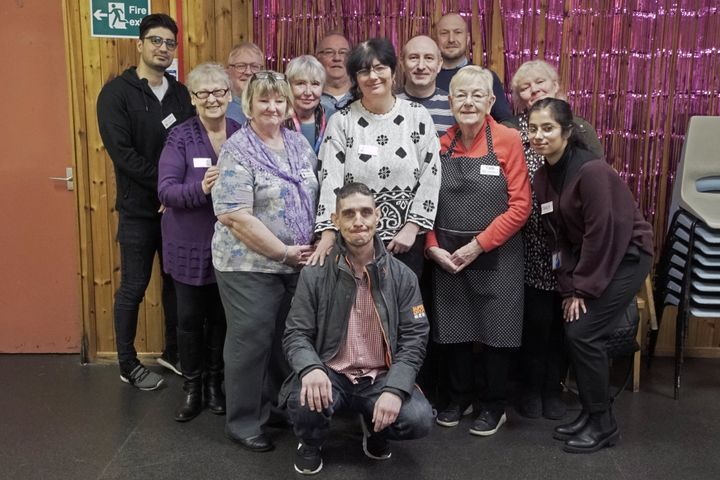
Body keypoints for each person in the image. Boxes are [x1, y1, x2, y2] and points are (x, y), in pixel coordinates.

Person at [282, 182, 434, 475]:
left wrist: (396, 388)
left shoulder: (403, 277)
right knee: (303, 398)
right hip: (331, 372)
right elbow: (296, 334)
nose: (358, 221)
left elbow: (415, 340)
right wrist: (310, 368)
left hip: (379, 376)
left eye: (366, 212)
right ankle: (310, 443)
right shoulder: (315, 273)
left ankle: (378, 429)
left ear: (377, 217)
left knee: (418, 418)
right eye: (349, 214)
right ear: (336, 220)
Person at [529, 98, 653, 453]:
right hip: (592, 259)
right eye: (533, 128)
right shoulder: (543, 174)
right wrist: (568, 287)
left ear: (567, 131)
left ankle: (603, 425)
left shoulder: (592, 171)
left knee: (584, 333)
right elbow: (558, 238)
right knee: (577, 331)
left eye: (548, 128)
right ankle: (589, 413)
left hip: (626, 256)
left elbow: (605, 234)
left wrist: (582, 289)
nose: (539, 136)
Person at [211, 70, 319, 452]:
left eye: (279, 100)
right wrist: (283, 251)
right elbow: (235, 216)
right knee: (251, 339)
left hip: (296, 263)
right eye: (264, 100)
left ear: (288, 105)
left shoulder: (298, 144)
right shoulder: (236, 150)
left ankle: (273, 406)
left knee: (282, 341)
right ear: (249, 106)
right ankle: (242, 421)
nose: (272, 107)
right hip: (248, 265)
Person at [426, 66, 531, 436]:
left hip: (496, 254)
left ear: (490, 101)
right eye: (460, 95)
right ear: (449, 101)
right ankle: (458, 398)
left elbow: (520, 206)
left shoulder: (508, 140)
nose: (468, 103)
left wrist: (478, 245)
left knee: (496, 332)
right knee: (453, 330)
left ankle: (493, 405)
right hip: (447, 257)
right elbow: (424, 205)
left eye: (477, 95)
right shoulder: (438, 144)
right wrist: (432, 246)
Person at [96, 13, 195, 390]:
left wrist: (177, 195)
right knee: (135, 286)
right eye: (156, 40)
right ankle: (127, 362)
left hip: (176, 211)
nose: (163, 48)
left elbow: (188, 145)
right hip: (139, 212)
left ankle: (173, 353)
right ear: (139, 44)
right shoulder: (116, 94)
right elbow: (123, 154)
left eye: (170, 43)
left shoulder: (180, 93)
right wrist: (166, 188)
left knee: (176, 285)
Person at [507, 59, 604, 420]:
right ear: (517, 98)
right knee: (534, 322)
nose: (533, 92)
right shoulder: (512, 130)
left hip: (568, 244)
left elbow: (594, 181)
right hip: (527, 244)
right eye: (525, 88)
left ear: (556, 85)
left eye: (540, 84)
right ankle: (531, 390)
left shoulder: (579, 129)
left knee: (564, 323)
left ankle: (553, 390)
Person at [311, 38, 441, 279]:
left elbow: (431, 175)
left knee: (404, 313)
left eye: (380, 67)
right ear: (355, 79)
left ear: (393, 71)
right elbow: (330, 179)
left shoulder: (417, 116)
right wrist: (328, 232)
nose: (373, 76)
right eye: (364, 70)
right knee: (358, 314)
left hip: (405, 242)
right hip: (354, 240)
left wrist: (413, 228)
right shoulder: (342, 122)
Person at [158, 63, 241, 421]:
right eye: (203, 93)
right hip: (188, 245)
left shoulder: (241, 133)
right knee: (190, 319)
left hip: (233, 246)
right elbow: (166, 190)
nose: (212, 99)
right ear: (192, 98)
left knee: (222, 320)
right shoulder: (180, 136)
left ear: (230, 95)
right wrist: (200, 187)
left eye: (219, 91)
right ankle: (191, 389)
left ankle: (213, 385)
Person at [434, 12, 512, 123]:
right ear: (436, 39)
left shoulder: (485, 76)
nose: (451, 39)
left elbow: (506, 122)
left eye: (458, 32)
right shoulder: (426, 78)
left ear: (468, 39)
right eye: (444, 33)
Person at [397, 35, 454, 136]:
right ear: (402, 63)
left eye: (429, 58)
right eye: (413, 58)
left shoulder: (453, 106)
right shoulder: (388, 104)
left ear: (439, 64)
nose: (421, 66)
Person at [284, 55, 327, 154]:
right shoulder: (278, 119)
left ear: (323, 88)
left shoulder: (332, 117)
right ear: (288, 86)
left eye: (315, 84)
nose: (308, 92)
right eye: (300, 83)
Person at [225, 42, 265, 124]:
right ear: (229, 70)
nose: (248, 72)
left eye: (254, 66)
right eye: (241, 66)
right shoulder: (220, 106)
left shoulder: (271, 106)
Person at [315, 33, 353, 117]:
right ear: (318, 58)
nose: (337, 58)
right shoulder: (308, 97)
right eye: (329, 52)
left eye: (343, 52)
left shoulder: (364, 94)